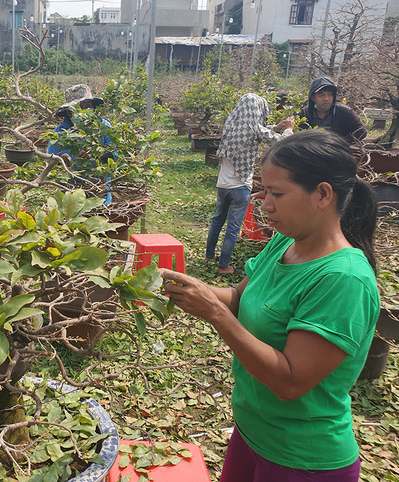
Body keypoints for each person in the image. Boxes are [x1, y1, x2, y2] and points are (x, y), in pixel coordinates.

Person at [162, 129, 380, 481]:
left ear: (323, 194)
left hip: (301, 459)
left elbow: (290, 383)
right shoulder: (284, 243)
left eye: (277, 193)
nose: (264, 203)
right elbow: (239, 297)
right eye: (264, 190)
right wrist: (187, 287)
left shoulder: (343, 279)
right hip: (253, 433)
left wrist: (213, 313)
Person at [207, 93, 294, 275]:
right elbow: (280, 141)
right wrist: (289, 129)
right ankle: (224, 266)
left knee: (218, 220)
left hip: (222, 185)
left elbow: (255, 130)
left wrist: (276, 127)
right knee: (233, 227)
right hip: (240, 187)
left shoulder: (231, 126)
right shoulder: (254, 129)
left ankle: (209, 255)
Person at [46, 84, 112, 204]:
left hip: (99, 194)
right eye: (78, 108)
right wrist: (63, 161)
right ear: (69, 112)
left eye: (87, 106)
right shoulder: (60, 133)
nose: (83, 111)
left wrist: (96, 154)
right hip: (69, 196)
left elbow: (116, 156)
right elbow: (51, 166)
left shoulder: (104, 127)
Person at [298, 77, 367, 144]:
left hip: (337, 152)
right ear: (313, 97)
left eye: (330, 95)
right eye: (321, 95)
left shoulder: (345, 111)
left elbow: (361, 131)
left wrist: (340, 143)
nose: (326, 99)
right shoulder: (305, 113)